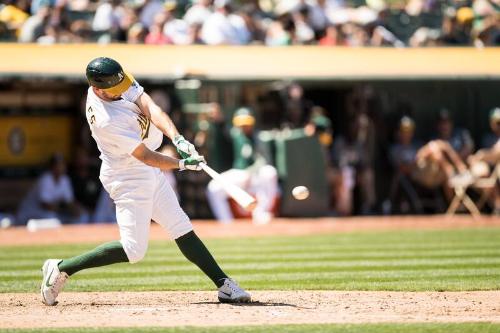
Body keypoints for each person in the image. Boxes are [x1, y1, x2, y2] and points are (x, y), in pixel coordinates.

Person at [40, 57, 251, 306]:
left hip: (146, 169)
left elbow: (149, 105)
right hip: (128, 176)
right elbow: (145, 156)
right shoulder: (107, 119)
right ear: (98, 90)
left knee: (180, 225)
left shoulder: (114, 80)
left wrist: (178, 139)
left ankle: (223, 283)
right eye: (115, 90)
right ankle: (62, 267)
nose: (122, 91)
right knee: (133, 250)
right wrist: (182, 164)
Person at [206, 107, 279, 224]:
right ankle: (226, 223)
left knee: (269, 172)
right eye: (241, 124)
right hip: (239, 174)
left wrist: (251, 172)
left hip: (256, 178)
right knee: (213, 188)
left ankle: (261, 213)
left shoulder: (259, 137)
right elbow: (222, 131)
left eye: (247, 124)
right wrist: (218, 121)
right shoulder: (234, 135)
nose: (244, 127)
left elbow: (264, 161)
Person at [17, 153, 83, 225]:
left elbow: (69, 201)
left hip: (50, 213)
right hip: (30, 212)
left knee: (81, 216)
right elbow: (45, 205)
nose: (61, 167)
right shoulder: (45, 179)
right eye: (58, 165)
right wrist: (65, 209)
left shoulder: (65, 179)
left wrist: (75, 209)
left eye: (62, 165)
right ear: (52, 167)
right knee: (52, 219)